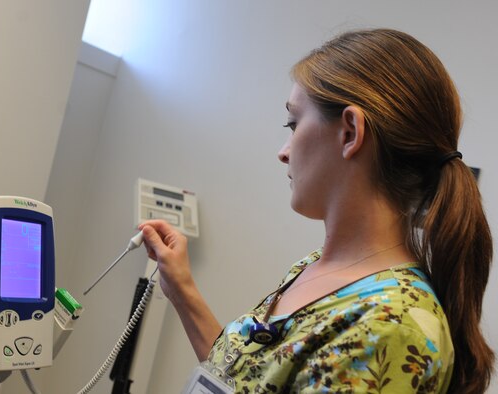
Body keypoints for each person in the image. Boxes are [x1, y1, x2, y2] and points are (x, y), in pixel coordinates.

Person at [139, 28, 494, 393]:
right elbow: (244, 381)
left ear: (350, 133)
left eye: (293, 124)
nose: (284, 151)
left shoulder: (390, 325)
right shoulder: (312, 268)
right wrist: (180, 288)